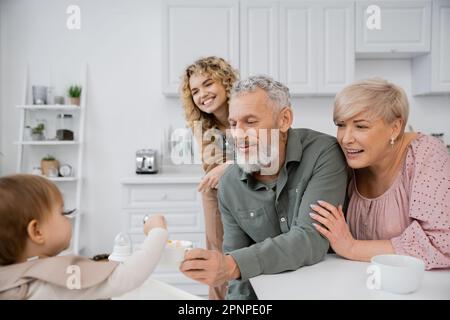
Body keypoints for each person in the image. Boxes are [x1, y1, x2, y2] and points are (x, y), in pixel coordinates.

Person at [180, 75, 348, 299]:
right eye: (233, 124)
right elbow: (237, 276)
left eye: (250, 122)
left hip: (327, 288)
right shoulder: (230, 183)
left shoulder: (322, 154)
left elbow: (312, 239)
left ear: (284, 120)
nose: (238, 135)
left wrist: (232, 264)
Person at [309, 78, 450, 269]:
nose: (346, 138)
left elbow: (442, 243)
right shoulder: (347, 163)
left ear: (395, 127)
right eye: (341, 124)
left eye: (361, 126)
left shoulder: (426, 154)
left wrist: (351, 247)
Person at [0, 174, 168, 299]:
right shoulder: (47, 282)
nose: (68, 218)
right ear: (37, 232)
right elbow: (127, 276)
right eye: (63, 212)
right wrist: (157, 232)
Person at [180, 56, 238, 299]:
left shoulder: (246, 109)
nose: (202, 94)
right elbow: (212, 168)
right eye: (195, 91)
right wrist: (227, 167)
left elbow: (269, 154)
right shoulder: (201, 124)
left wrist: (230, 165)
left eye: (208, 84)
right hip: (221, 193)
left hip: (257, 188)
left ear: (225, 82)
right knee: (217, 255)